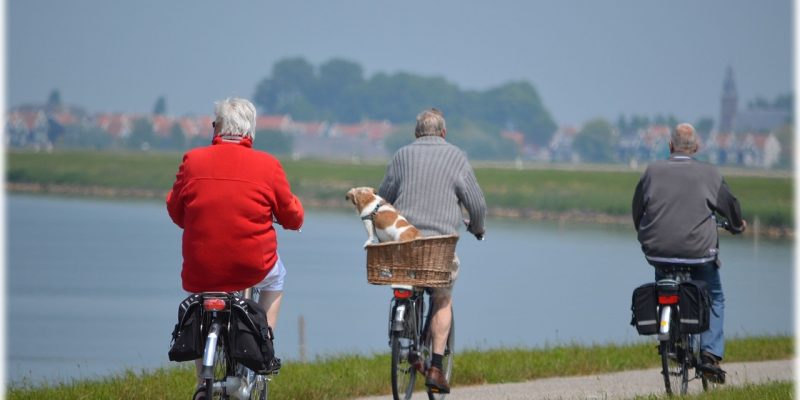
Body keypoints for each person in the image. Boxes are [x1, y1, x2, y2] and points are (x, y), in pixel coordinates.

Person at [166, 97, 303, 395]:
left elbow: (175, 211)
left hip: (201, 266)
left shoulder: (192, 160)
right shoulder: (268, 165)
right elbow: (292, 215)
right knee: (277, 277)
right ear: (250, 132)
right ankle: (263, 343)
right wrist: (291, 218)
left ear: (216, 129)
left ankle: (203, 378)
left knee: (205, 298)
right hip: (252, 265)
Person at [378, 108, 486, 393]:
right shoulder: (457, 157)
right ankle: (436, 367)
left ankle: (404, 336)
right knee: (442, 299)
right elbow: (476, 204)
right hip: (439, 249)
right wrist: (477, 227)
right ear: (443, 133)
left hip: (404, 247)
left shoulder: (401, 156)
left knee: (406, 284)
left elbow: (382, 200)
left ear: (416, 133)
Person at [632, 123, 745, 379]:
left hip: (658, 250)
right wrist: (737, 226)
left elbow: (637, 209)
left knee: (665, 285)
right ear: (696, 147)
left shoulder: (651, 171)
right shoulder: (710, 174)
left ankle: (670, 338)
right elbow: (731, 207)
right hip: (699, 253)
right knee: (714, 297)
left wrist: (644, 232)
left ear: (670, 146)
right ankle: (710, 355)